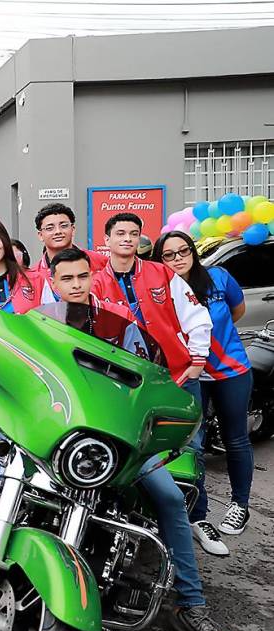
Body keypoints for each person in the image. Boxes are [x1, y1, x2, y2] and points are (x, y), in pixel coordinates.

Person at [40, 247, 238, 631]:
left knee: (168, 498)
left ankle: (191, 605)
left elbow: (148, 379)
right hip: (59, 436)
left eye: (82, 277)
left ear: (92, 277)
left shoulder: (122, 328)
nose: (75, 285)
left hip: (119, 441)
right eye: (66, 279)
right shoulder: (39, 324)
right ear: (53, 282)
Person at [92, 213, 216, 551]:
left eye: (134, 233)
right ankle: (136, 522)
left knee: (190, 449)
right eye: (120, 233)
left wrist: (197, 361)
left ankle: (195, 519)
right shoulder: (94, 282)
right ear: (107, 239)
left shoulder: (161, 273)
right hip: (130, 386)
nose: (128, 239)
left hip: (176, 378)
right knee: (135, 452)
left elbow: (197, 317)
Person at [155, 231, 254, 542]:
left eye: (183, 251)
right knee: (192, 444)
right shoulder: (159, 289)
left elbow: (238, 311)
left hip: (231, 371)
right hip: (188, 376)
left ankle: (240, 505)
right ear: (160, 260)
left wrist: (219, 343)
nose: (177, 258)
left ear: (193, 252)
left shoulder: (218, 277)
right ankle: (199, 514)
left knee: (235, 438)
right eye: (168, 255)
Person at [32, 203, 107, 275]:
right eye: (50, 228)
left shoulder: (100, 262)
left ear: (73, 229)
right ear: (40, 235)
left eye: (63, 226)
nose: (58, 231)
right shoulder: (34, 275)